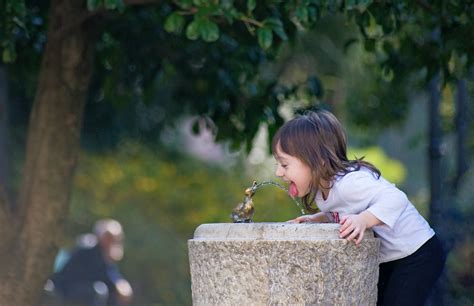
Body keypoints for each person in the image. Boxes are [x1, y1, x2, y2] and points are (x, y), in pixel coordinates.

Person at [272, 109, 445, 306]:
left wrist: (363, 220)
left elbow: (396, 198)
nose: (278, 172)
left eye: (284, 165)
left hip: (418, 252)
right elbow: (344, 210)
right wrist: (318, 218)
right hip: (393, 257)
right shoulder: (322, 192)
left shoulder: (350, 183)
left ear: (317, 160)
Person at [51, 219, 133, 306]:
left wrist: (120, 283)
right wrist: (116, 285)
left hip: (85, 287)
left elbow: (112, 274)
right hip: (67, 287)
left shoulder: (105, 252)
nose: (112, 241)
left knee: (112, 293)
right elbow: (99, 274)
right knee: (99, 290)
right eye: (109, 237)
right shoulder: (88, 248)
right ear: (101, 236)